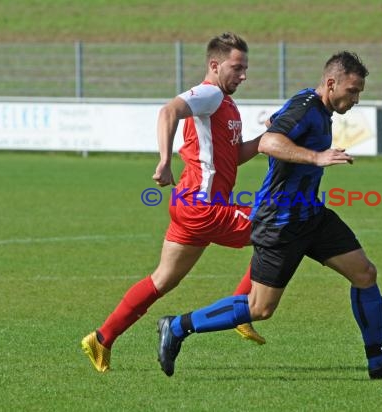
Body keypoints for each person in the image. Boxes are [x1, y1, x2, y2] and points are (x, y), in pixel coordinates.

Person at [156, 51, 382, 379]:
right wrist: (315, 157)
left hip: (311, 214)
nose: (356, 99)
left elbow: (276, 124)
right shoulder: (308, 108)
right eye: (352, 91)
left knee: (365, 273)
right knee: (260, 308)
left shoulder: (313, 105)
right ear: (331, 83)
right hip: (281, 220)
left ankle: (378, 359)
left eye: (360, 93)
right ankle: (178, 326)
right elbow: (269, 140)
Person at [81, 32, 267, 373]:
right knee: (280, 229)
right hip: (203, 206)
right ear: (215, 65)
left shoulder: (225, 103)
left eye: (245, 69)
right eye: (237, 68)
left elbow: (232, 156)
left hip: (190, 205)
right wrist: (164, 160)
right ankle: (243, 310)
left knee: (162, 280)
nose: (243, 76)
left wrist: (264, 139)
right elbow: (169, 111)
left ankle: (102, 337)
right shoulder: (210, 93)